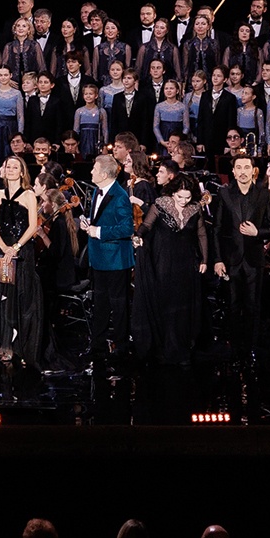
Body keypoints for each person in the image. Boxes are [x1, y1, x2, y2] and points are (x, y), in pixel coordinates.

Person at [131, 161, 209, 367]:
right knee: (166, 301)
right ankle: (165, 344)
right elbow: (146, 225)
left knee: (184, 305)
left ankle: (183, 344)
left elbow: (202, 234)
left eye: (187, 197)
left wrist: (204, 259)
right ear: (173, 193)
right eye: (180, 197)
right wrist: (138, 237)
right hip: (164, 260)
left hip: (187, 262)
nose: (184, 201)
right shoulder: (160, 204)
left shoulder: (195, 209)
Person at [0, 154, 47, 369]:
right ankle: (5, 345)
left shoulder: (29, 195)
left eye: (15, 167)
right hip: (3, 250)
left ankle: (20, 347)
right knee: (4, 297)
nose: (10, 170)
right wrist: (4, 248)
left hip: (22, 252)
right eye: (8, 167)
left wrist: (14, 248)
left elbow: (32, 226)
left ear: (22, 172)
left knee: (21, 298)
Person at [213, 152, 270, 366]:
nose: (243, 172)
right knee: (232, 306)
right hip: (230, 259)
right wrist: (218, 259)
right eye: (239, 168)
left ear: (253, 171)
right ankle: (234, 349)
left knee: (253, 306)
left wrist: (257, 232)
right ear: (233, 171)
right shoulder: (224, 193)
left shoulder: (263, 193)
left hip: (254, 259)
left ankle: (250, 349)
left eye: (246, 168)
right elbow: (217, 229)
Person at [82, 152, 136, 375]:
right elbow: (100, 219)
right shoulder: (97, 190)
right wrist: (90, 224)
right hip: (100, 258)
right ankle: (98, 346)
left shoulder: (120, 195)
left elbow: (127, 228)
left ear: (104, 174)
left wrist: (98, 231)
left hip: (116, 260)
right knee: (100, 304)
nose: (91, 171)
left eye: (94, 169)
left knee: (119, 305)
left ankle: (122, 348)